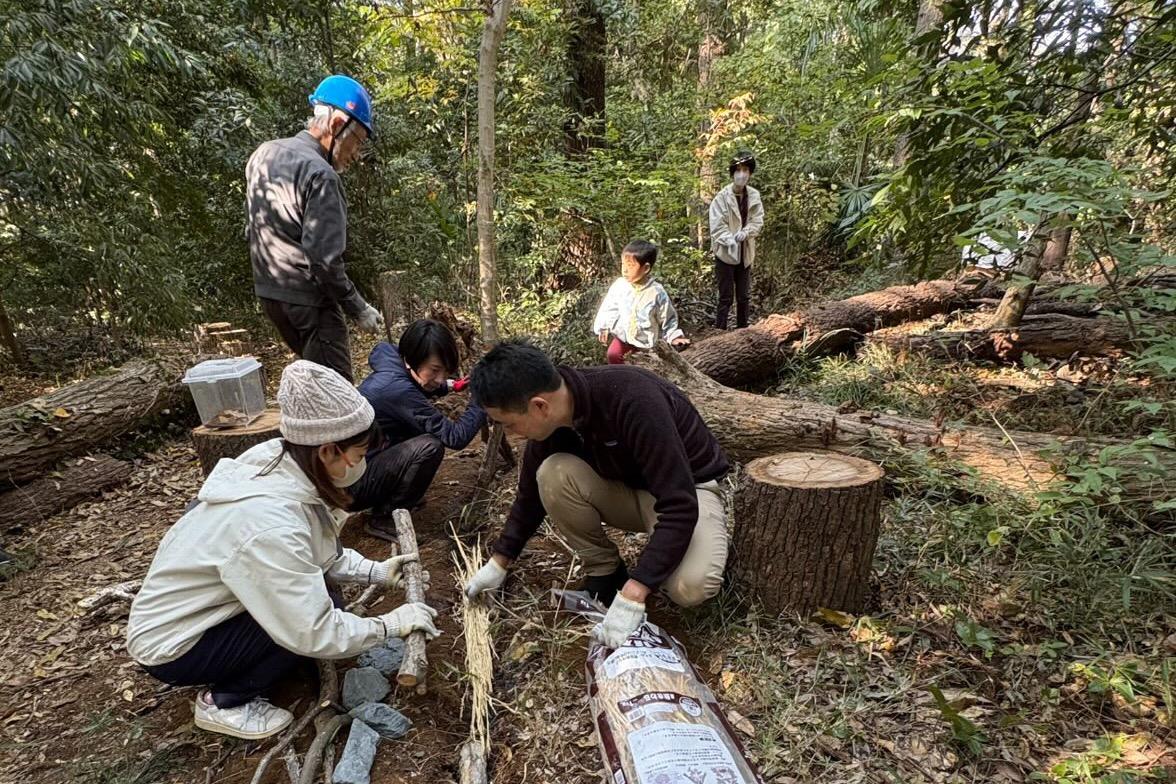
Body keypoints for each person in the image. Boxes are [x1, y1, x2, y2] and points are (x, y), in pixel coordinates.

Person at [126, 361, 440, 740]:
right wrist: (390, 625)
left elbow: (314, 548)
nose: (360, 466)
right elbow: (312, 630)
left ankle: (244, 661)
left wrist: (373, 571)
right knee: (306, 626)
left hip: (202, 611)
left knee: (320, 603)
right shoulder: (267, 522)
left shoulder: (284, 461)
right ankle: (225, 701)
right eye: (357, 456)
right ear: (327, 451)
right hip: (174, 645)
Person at [462, 341, 731, 650]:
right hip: (628, 491)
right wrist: (499, 562)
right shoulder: (551, 425)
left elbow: (680, 505)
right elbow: (529, 499)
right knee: (552, 473)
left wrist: (635, 593)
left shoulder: (632, 398)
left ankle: (695, 549)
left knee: (691, 587)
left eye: (509, 423)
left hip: (687, 491)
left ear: (539, 405)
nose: (511, 432)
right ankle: (605, 574)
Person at [246, 74, 386, 382]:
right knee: (338, 396)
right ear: (337, 124)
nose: (356, 154)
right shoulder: (321, 175)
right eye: (358, 141)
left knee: (315, 384)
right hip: (309, 300)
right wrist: (358, 307)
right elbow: (324, 261)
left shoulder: (263, 154)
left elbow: (255, 227)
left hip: (271, 295)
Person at [355, 319, 487, 540]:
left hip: (361, 468)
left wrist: (452, 385)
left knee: (417, 429)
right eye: (435, 370)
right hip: (353, 487)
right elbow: (455, 437)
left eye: (445, 372)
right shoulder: (396, 390)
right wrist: (482, 399)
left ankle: (391, 498)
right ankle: (385, 517)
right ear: (413, 360)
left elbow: (419, 384)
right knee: (429, 446)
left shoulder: (395, 362)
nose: (440, 378)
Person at [592, 240, 691, 365]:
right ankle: (620, 381)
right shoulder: (620, 286)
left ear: (646, 268)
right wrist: (604, 326)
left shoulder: (656, 292)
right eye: (623, 265)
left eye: (631, 266)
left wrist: (674, 336)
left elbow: (667, 317)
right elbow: (609, 307)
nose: (625, 270)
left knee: (648, 368)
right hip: (624, 338)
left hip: (648, 344)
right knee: (613, 355)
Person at [708, 150, 765, 330]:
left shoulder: (754, 196)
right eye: (738, 170)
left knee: (743, 296)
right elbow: (717, 225)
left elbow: (757, 220)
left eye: (746, 170)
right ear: (732, 173)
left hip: (745, 252)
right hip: (725, 254)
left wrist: (746, 232)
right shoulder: (721, 198)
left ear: (750, 173)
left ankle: (743, 331)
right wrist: (729, 239)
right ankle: (719, 331)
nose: (742, 175)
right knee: (725, 296)